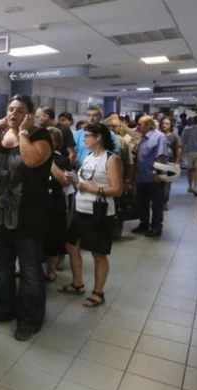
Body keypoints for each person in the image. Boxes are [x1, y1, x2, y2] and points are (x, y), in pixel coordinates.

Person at [0, 95, 54, 340]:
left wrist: (23, 132)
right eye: (11, 109)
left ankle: (30, 319)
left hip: (29, 215)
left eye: (20, 110)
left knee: (30, 269)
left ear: (29, 115)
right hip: (2, 213)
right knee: (2, 266)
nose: (14, 114)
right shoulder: (1, 136)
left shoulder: (40, 136)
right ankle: (3, 308)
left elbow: (32, 160)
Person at [62, 123, 123, 307]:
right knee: (72, 245)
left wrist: (91, 189)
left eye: (87, 136)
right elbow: (83, 181)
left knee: (98, 253)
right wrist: (74, 180)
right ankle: (77, 283)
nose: (84, 140)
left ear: (98, 137)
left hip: (99, 211)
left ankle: (98, 292)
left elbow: (117, 189)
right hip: (80, 208)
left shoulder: (111, 159)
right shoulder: (88, 157)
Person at [131, 116, 169, 238]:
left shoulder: (159, 137)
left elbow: (161, 156)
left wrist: (157, 173)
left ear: (148, 125)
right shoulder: (142, 137)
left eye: (139, 124)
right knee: (142, 202)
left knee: (156, 204)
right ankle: (144, 224)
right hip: (142, 176)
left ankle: (156, 227)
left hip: (153, 176)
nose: (137, 126)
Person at [44, 126, 71, 282]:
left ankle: (51, 268)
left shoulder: (62, 160)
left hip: (55, 201)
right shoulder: (33, 155)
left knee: (53, 236)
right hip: (37, 201)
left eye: (51, 140)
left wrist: (49, 160)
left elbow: (65, 181)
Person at [159, 117, 182, 210]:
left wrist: (176, 162)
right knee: (157, 184)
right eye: (163, 123)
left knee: (166, 184)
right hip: (157, 162)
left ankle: (164, 202)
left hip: (169, 162)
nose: (164, 125)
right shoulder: (157, 135)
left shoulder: (174, 136)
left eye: (167, 123)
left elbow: (179, 149)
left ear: (170, 125)